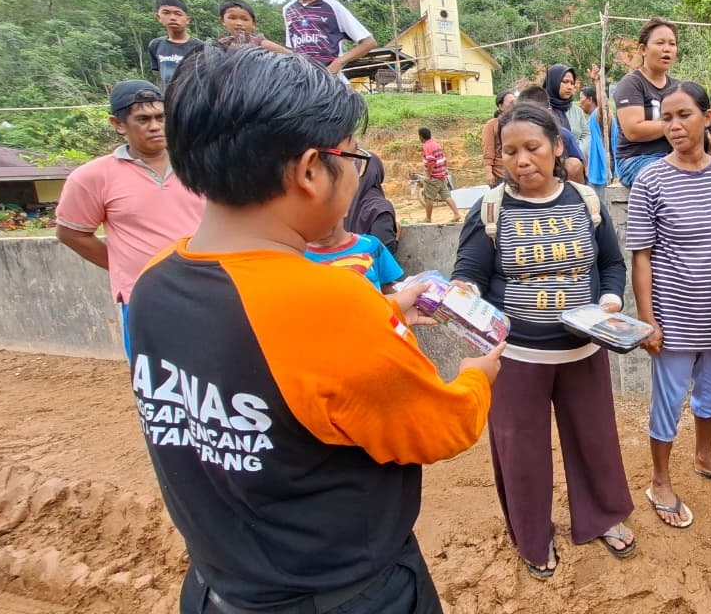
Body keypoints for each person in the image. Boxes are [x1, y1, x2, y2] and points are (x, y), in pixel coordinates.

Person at [131, 44, 503, 614]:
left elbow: (265, 368)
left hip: (217, 587)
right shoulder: (327, 302)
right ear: (309, 170)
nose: (355, 177)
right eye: (352, 161)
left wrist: (390, 311)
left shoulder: (154, 284)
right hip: (343, 595)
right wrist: (480, 370)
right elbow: (440, 429)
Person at [452, 103, 634, 579]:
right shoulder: (490, 208)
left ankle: (602, 518)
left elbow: (612, 264)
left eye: (532, 148)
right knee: (522, 450)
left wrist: (611, 299)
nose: (522, 160)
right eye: (510, 152)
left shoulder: (587, 201)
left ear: (557, 147)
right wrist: (461, 293)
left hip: (583, 350)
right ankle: (533, 538)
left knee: (594, 440)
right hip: (516, 356)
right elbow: (469, 272)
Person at [627, 82, 711, 530]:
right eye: (667, 117)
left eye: (684, 115)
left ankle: (704, 456)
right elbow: (642, 256)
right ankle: (659, 480)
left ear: (706, 116)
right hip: (673, 317)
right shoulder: (650, 181)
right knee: (668, 401)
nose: (674, 126)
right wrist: (647, 320)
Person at [54, 80, 204, 359]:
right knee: (157, 382)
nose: (155, 126)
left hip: (206, 292)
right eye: (143, 119)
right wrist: (125, 267)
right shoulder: (93, 178)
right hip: (146, 299)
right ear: (118, 124)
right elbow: (71, 234)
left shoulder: (198, 166)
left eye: (160, 117)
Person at [615, 18, 711, 186]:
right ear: (643, 49)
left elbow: (703, 128)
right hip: (637, 159)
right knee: (677, 179)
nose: (667, 49)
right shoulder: (632, 83)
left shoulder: (678, 88)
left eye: (672, 44)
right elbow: (633, 130)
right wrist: (683, 124)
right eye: (660, 43)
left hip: (677, 155)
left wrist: (709, 132)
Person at [306, 214, 404, 294]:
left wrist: (412, 296)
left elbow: (387, 287)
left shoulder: (371, 245)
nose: (321, 226)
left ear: (344, 208)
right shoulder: (298, 255)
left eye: (327, 216)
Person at [515, 85, 587, 184]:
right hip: (527, 184)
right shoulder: (514, 138)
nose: (529, 121)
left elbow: (579, 166)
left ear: (549, 112)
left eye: (535, 116)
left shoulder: (563, 135)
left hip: (561, 183)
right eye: (523, 116)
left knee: (573, 164)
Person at [344, 149, 400, 256]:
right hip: (367, 271)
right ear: (379, 172)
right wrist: (396, 240)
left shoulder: (343, 202)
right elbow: (384, 250)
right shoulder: (380, 207)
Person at [148, 0, 204, 90]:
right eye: (166, 13)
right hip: (168, 100)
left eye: (178, 14)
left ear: (187, 20)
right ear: (158, 17)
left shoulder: (201, 47)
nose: (172, 18)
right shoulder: (155, 45)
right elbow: (161, 75)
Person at [216, 0, 292, 53]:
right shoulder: (221, 45)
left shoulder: (259, 43)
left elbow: (290, 54)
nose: (239, 23)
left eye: (244, 19)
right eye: (232, 18)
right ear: (223, 21)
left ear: (253, 23)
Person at [545, 64, 590, 155]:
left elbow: (587, 134)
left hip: (576, 162)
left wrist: (576, 150)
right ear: (554, 82)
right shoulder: (542, 108)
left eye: (572, 83)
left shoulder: (577, 111)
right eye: (565, 82)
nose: (570, 87)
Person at [419, 127, 461, 223]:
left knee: (428, 197)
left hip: (434, 176)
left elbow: (431, 161)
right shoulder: (436, 144)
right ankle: (456, 214)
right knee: (446, 196)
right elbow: (443, 159)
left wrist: (428, 176)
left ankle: (428, 218)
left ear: (421, 136)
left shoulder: (426, 146)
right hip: (442, 175)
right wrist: (443, 172)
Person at [482, 91, 516, 186]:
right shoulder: (492, 124)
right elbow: (488, 150)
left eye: (516, 102)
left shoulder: (519, 124)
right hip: (499, 174)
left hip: (516, 173)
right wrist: (489, 173)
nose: (515, 105)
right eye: (511, 102)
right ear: (501, 106)